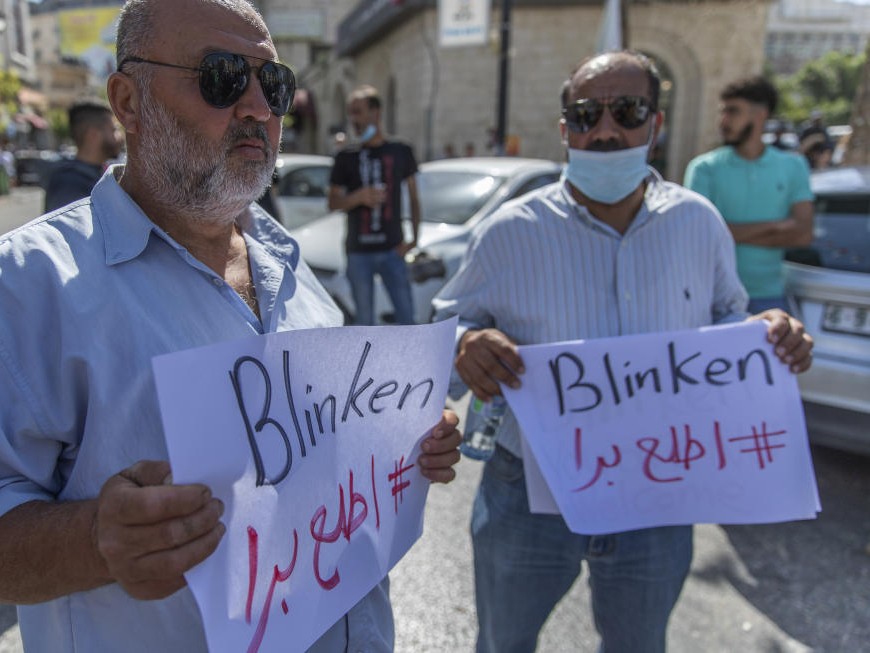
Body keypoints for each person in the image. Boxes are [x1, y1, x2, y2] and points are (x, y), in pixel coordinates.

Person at [0, 2, 462, 652]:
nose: (258, 106)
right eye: (223, 77)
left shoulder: (289, 265)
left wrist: (401, 440)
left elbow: (321, 451)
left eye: (275, 84)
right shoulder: (20, 288)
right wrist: (96, 538)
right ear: (128, 100)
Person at [432, 50, 814, 653]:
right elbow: (446, 322)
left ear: (655, 125)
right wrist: (464, 344)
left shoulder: (700, 223)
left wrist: (766, 332)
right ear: (565, 129)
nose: (605, 129)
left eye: (627, 111)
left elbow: (726, 320)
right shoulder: (509, 230)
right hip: (527, 491)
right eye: (586, 114)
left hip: (659, 492)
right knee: (503, 643)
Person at [684, 76, 814, 314]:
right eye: (722, 112)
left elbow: (803, 235)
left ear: (760, 114)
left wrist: (729, 232)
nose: (723, 121)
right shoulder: (703, 168)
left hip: (770, 299)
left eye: (733, 111)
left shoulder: (794, 166)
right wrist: (777, 227)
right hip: (711, 299)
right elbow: (698, 235)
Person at [328, 85, 421, 325]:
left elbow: (413, 196)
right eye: (351, 113)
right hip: (359, 253)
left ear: (375, 112)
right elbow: (333, 202)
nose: (353, 119)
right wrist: (358, 197)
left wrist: (414, 240)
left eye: (358, 112)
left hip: (392, 250)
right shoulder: (345, 156)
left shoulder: (401, 150)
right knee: (364, 324)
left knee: (407, 319)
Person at [44, 99, 123, 212]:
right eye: (114, 129)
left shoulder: (98, 174)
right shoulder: (69, 183)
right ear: (93, 135)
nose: (120, 136)